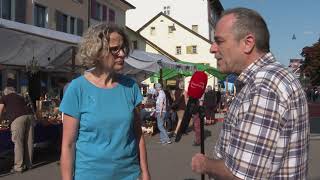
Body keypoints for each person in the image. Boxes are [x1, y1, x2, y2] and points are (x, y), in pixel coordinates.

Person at [191, 8, 309, 179]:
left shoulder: (265, 86)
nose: (212, 48)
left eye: (219, 41)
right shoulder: (269, 78)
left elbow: (242, 175)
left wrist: (205, 164)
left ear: (248, 43)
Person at [59, 23, 150, 180]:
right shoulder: (77, 89)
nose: (122, 54)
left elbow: (138, 134)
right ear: (98, 51)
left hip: (129, 175)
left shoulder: (131, 87)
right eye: (115, 49)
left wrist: (145, 172)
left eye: (123, 48)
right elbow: (68, 145)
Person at [0, 86, 34, 173]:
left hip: (18, 118)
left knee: (18, 142)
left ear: (6, 92)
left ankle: (18, 167)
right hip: (30, 116)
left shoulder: (5, 97)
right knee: (28, 141)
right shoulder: (20, 96)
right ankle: (29, 164)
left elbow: (0, 110)